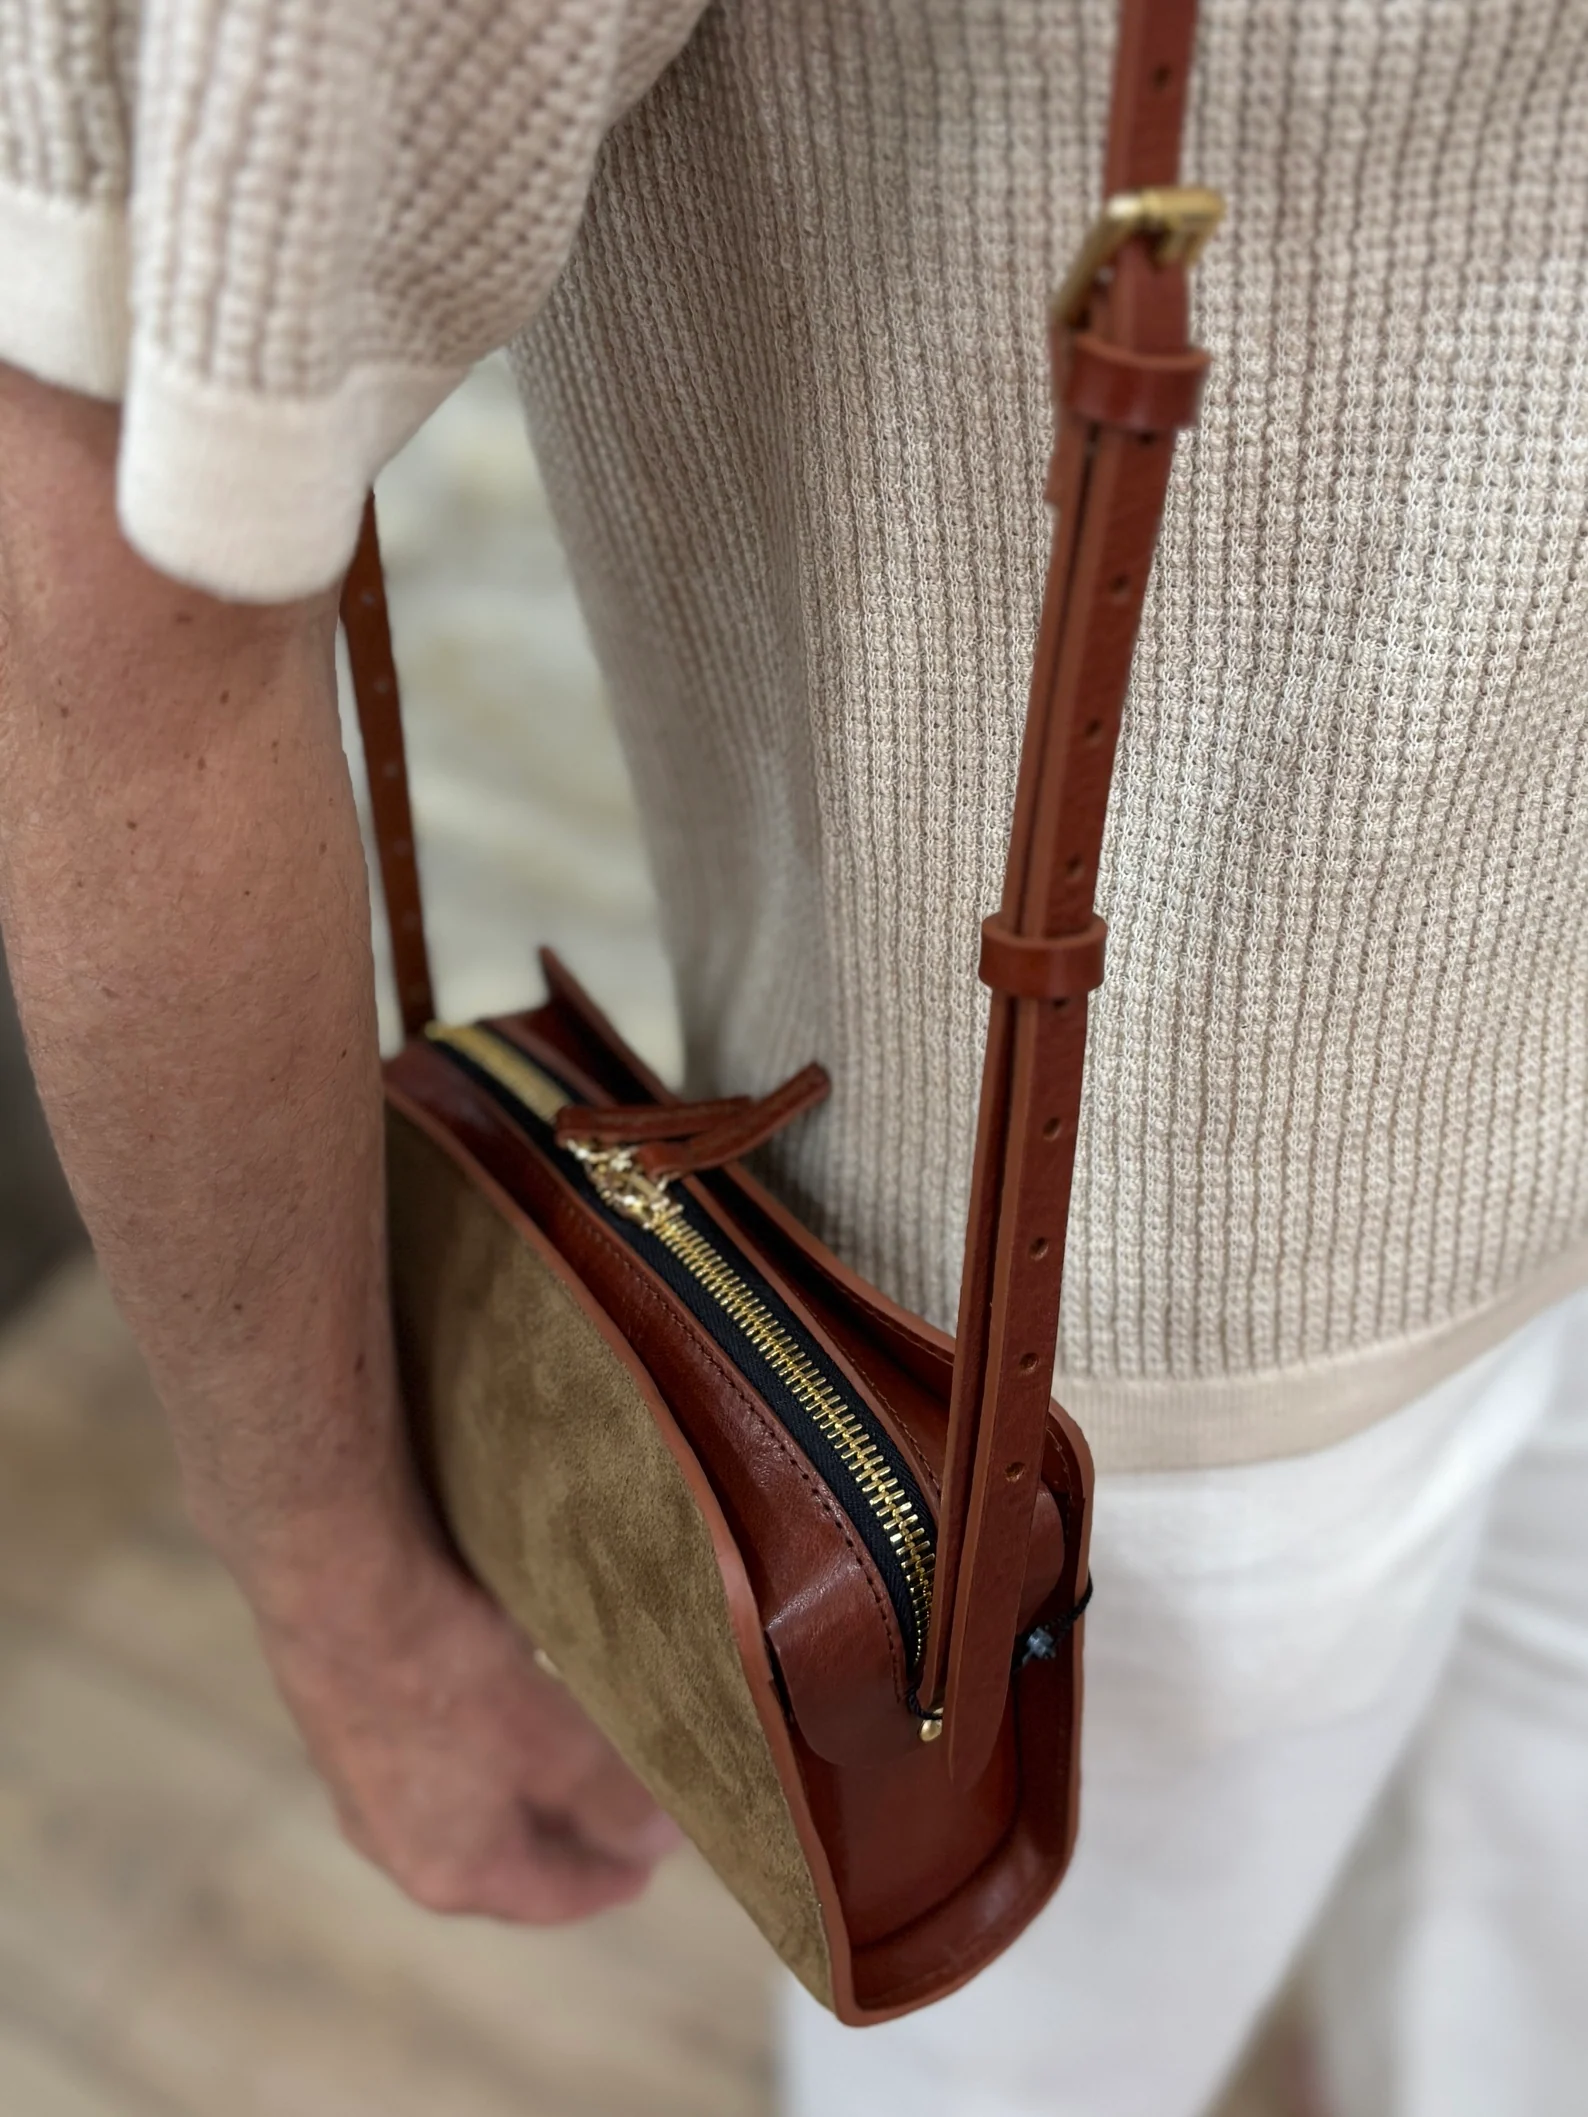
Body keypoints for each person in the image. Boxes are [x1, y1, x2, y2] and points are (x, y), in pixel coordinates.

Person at [1, 4, 1585, 2114]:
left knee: (1535, 1937)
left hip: (1490, 1114)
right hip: (1140, 1345)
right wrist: (336, 1584)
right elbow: (112, 574)